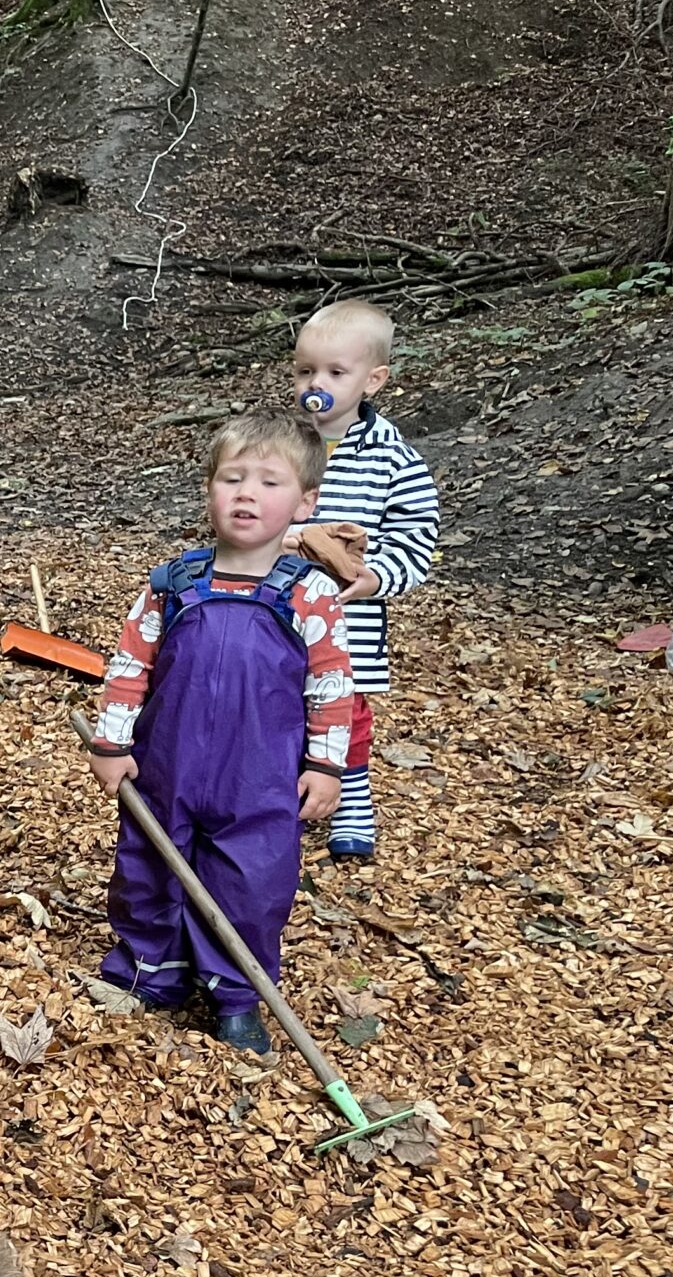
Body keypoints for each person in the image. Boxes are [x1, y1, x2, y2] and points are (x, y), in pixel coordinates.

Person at [87, 413, 356, 1052]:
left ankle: (237, 994)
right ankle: (152, 971)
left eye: (268, 482)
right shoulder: (174, 583)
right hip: (167, 764)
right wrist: (112, 741)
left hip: (259, 775)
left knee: (252, 880)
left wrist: (325, 765)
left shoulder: (309, 593)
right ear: (208, 488)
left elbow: (333, 687)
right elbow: (131, 666)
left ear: (305, 502)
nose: (246, 494)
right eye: (232, 478)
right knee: (150, 864)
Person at [288, 299, 442, 862]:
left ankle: (351, 799)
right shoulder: (280, 443)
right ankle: (286, 792)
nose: (315, 383)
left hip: (348, 617)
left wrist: (374, 578)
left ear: (373, 380)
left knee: (343, 709)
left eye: (335, 372)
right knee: (278, 701)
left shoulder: (393, 460)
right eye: (305, 370)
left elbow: (416, 538)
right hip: (274, 608)